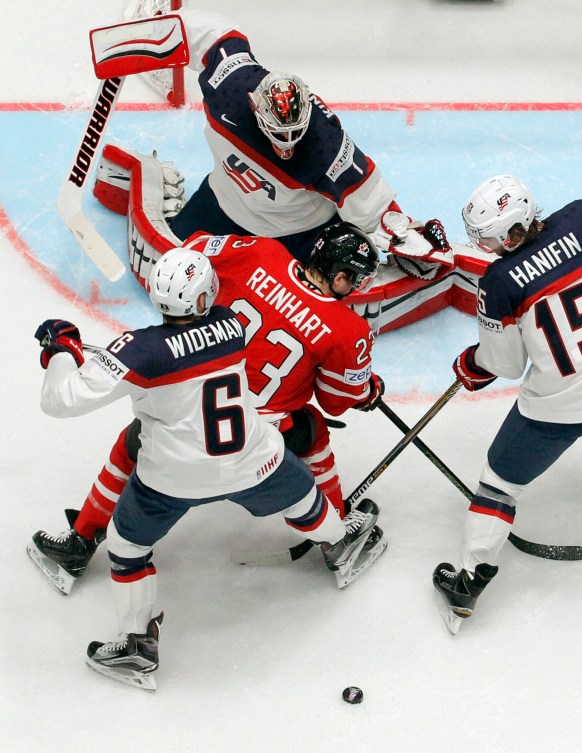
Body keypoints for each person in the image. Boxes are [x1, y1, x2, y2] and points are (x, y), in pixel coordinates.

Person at [33, 248, 384, 690]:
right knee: (304, 497)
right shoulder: (230, 325)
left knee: (126, 547)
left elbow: (60, 400)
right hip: (252, 459)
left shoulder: (141, 350)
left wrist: (60, 350)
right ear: (202, 300)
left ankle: (137, 644)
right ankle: (339, 543)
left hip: (173, 478)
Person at [92, 3, 485, 335]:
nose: (287, 147)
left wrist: (406, 238)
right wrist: (151, 33)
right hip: (222, 205)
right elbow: (207, 33)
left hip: (297, 234)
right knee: (172, 271)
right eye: (279, 134)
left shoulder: (325, 144)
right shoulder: (230, 83)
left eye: (295, 133)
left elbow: (376, 206)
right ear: (256, 108)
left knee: (297, 318)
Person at [432, 175, 582, 634]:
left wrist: (473, 363)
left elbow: (506, 363)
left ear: (513, 229)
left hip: (564, 408)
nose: (489, 246)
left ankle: (469, 580)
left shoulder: (498, 282)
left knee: (498, 483)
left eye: (493, 237)